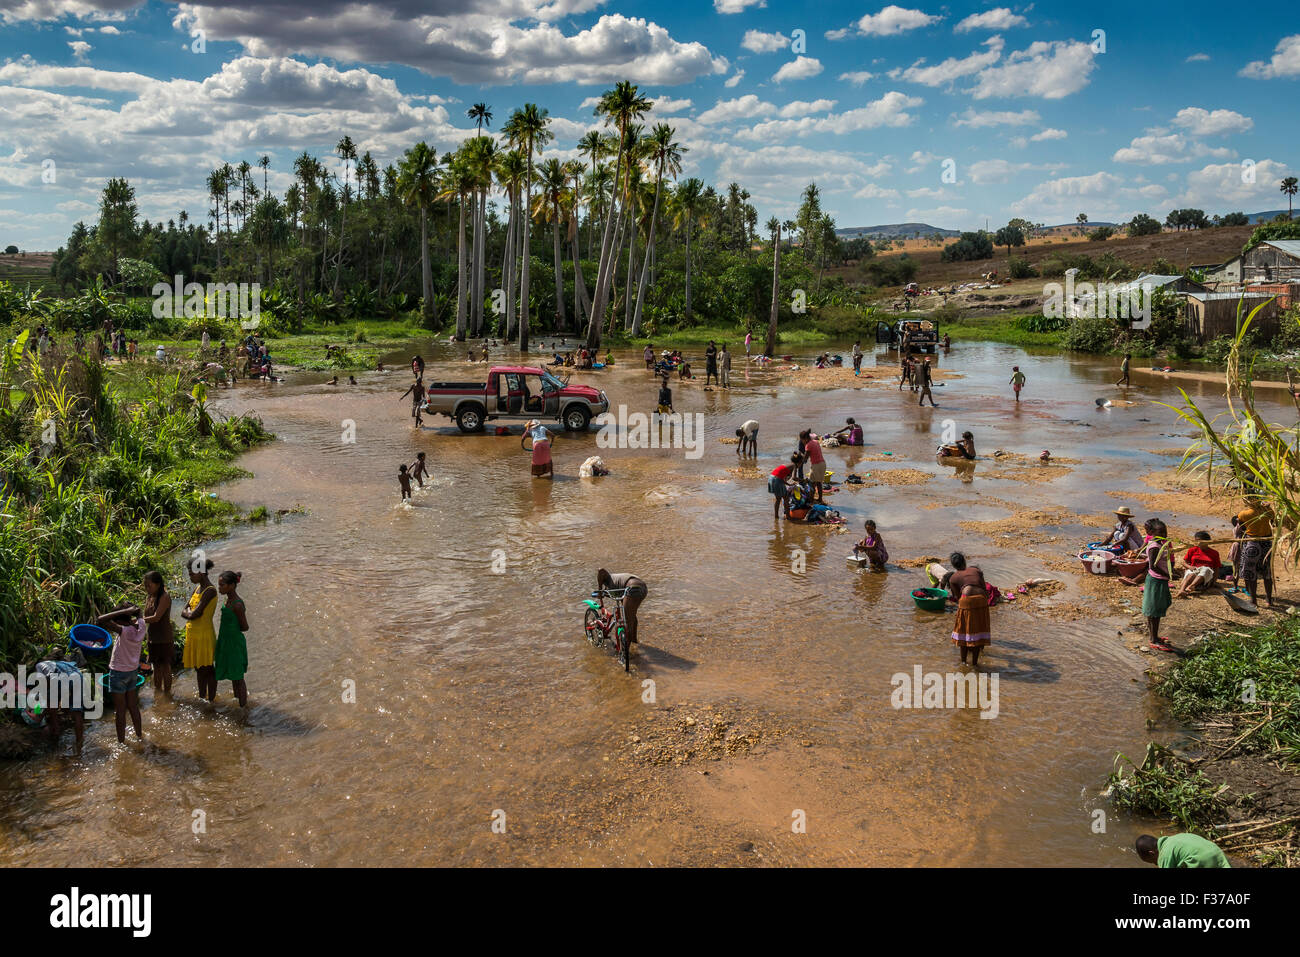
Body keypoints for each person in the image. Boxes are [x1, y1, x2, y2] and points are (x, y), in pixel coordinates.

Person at [96, 604, 146, 744]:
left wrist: (124, 611)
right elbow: (140, 615)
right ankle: (139, 735)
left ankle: (121, 743)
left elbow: (100, 619)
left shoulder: (123, 630)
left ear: (118, 620)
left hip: (118, 673)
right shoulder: (141, 626)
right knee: (133, 706)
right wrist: (133, 612)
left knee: (120, 710)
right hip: (132, 672)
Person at [181, 559, 219, 701]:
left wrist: (189, 613)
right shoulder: (197, 589)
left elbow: (193, 614)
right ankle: (202, 696)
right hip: (193, 635)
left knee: (207, 669)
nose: (190, 577)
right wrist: (189, 613)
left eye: (192, 574)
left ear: (202, 573)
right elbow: (184, 611)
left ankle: (212, 700)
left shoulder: (210, 591)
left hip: (204, 635)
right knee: (198, 668)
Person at [214, 571, 250, 708]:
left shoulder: (237, 604)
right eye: (219, 585)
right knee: (234, 677)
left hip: (234, 644)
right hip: (226, 642)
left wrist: (232, 630)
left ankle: (243, 709)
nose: (219, 588)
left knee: (238, 678)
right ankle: (239, 705)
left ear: (232, 586)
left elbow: (245, 627)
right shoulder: (227, 600)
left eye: (222, 585)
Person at [1235, 497, 1274, 608]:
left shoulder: (1243, 514)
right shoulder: (1269, 511)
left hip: (1252, 543)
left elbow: (1242, 527)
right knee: (1267, 571)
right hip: (1266, 543)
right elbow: (1272, 523)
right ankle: (1269, 599)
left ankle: (1253, 600)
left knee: (1250, 571)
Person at [1142, 518, 1174, 652]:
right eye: (1161, 532)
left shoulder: (1160, 544)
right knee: (1154, 613)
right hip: (1156, 580)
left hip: (1159, 579)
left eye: (1165, 531)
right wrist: (1168, 575)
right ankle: (1154, 640)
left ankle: (1154, 637)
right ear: (1151, 532)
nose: (1164, 534)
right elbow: (1153, 566)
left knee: (1155, 611)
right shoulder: (1154, 546)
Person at [142, 570, 174, 696]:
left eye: (149, 585)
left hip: (164, 637)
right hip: (153, 637)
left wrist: (138, 620)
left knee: (165, 667)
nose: (147, 588)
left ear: (158, 584)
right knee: (156, 667)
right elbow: (146, 616)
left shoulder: (164, 597)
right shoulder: (149, 597)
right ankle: (158, 694)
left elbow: (156, 617)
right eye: (145, 586)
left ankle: (167, 695)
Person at [1136, 833, 1230, 868]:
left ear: (1152, 853)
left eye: (1153, 862)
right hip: (1217, 853)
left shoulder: (1164, 855)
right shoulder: (1173, 839)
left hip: (1201, 860)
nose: (1157, 864)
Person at [951, 583, 991, 665]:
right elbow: (986, 593)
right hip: (981, 600)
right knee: (978, 631)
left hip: (966, 600)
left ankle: (963, 662)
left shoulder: (954, 579)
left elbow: (957, 597)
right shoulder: (978, 575)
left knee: (963, 632)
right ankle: (975, 663)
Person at [1176, 531, 1221, 598]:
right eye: (1196, 541)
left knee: (1206, 569)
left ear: (1207, 541)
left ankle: (1192, 585)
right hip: (1194, 569)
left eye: (1199, 541)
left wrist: (1214, 581)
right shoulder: (1193, 550)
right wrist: (1189, 567)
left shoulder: (1214, 553)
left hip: (1206, 574)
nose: (1197, 543)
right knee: (1191, 574)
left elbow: (1216, 568)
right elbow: (1184, 562)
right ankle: (1181, 590)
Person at [802, 429, 826, 503]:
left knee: (812, 483)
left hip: (816, 465)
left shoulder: (808, 445)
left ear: (805, 439)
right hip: (822, 464)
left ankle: (811, 500)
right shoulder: (816, 442)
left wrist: (799, 458)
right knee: (819, 483)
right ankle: (820, 499)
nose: (802, 442)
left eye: (802, 440)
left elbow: (805, 459)